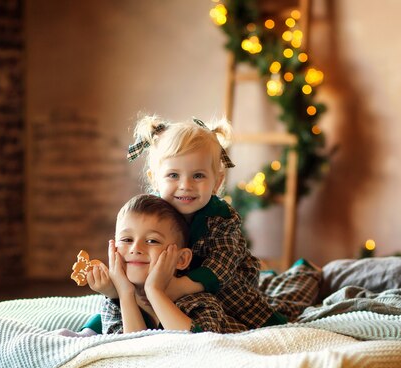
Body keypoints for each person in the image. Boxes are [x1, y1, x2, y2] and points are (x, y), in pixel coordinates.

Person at [126, 114, 321, 330]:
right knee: (130, 296)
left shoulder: (221, 217)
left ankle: (287, 318)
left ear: (217, 182)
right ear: (154, 179)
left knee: (263, 320)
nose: (185, 185)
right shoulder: (150, 212)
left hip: (225, 282)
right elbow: (130, 246)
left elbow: (222, 263)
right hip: (170, 280)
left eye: (198, 176)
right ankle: (87, 330)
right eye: (173, 175)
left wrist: (179, 287)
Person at [85, 193, 249, 334]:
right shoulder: (116, 303)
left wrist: (154, 291)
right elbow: (134, 355)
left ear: (181, 259)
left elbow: (197, 347)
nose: (135, 249)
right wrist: (126, 294)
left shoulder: (200, 303)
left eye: (152, 241)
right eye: (127, 239)